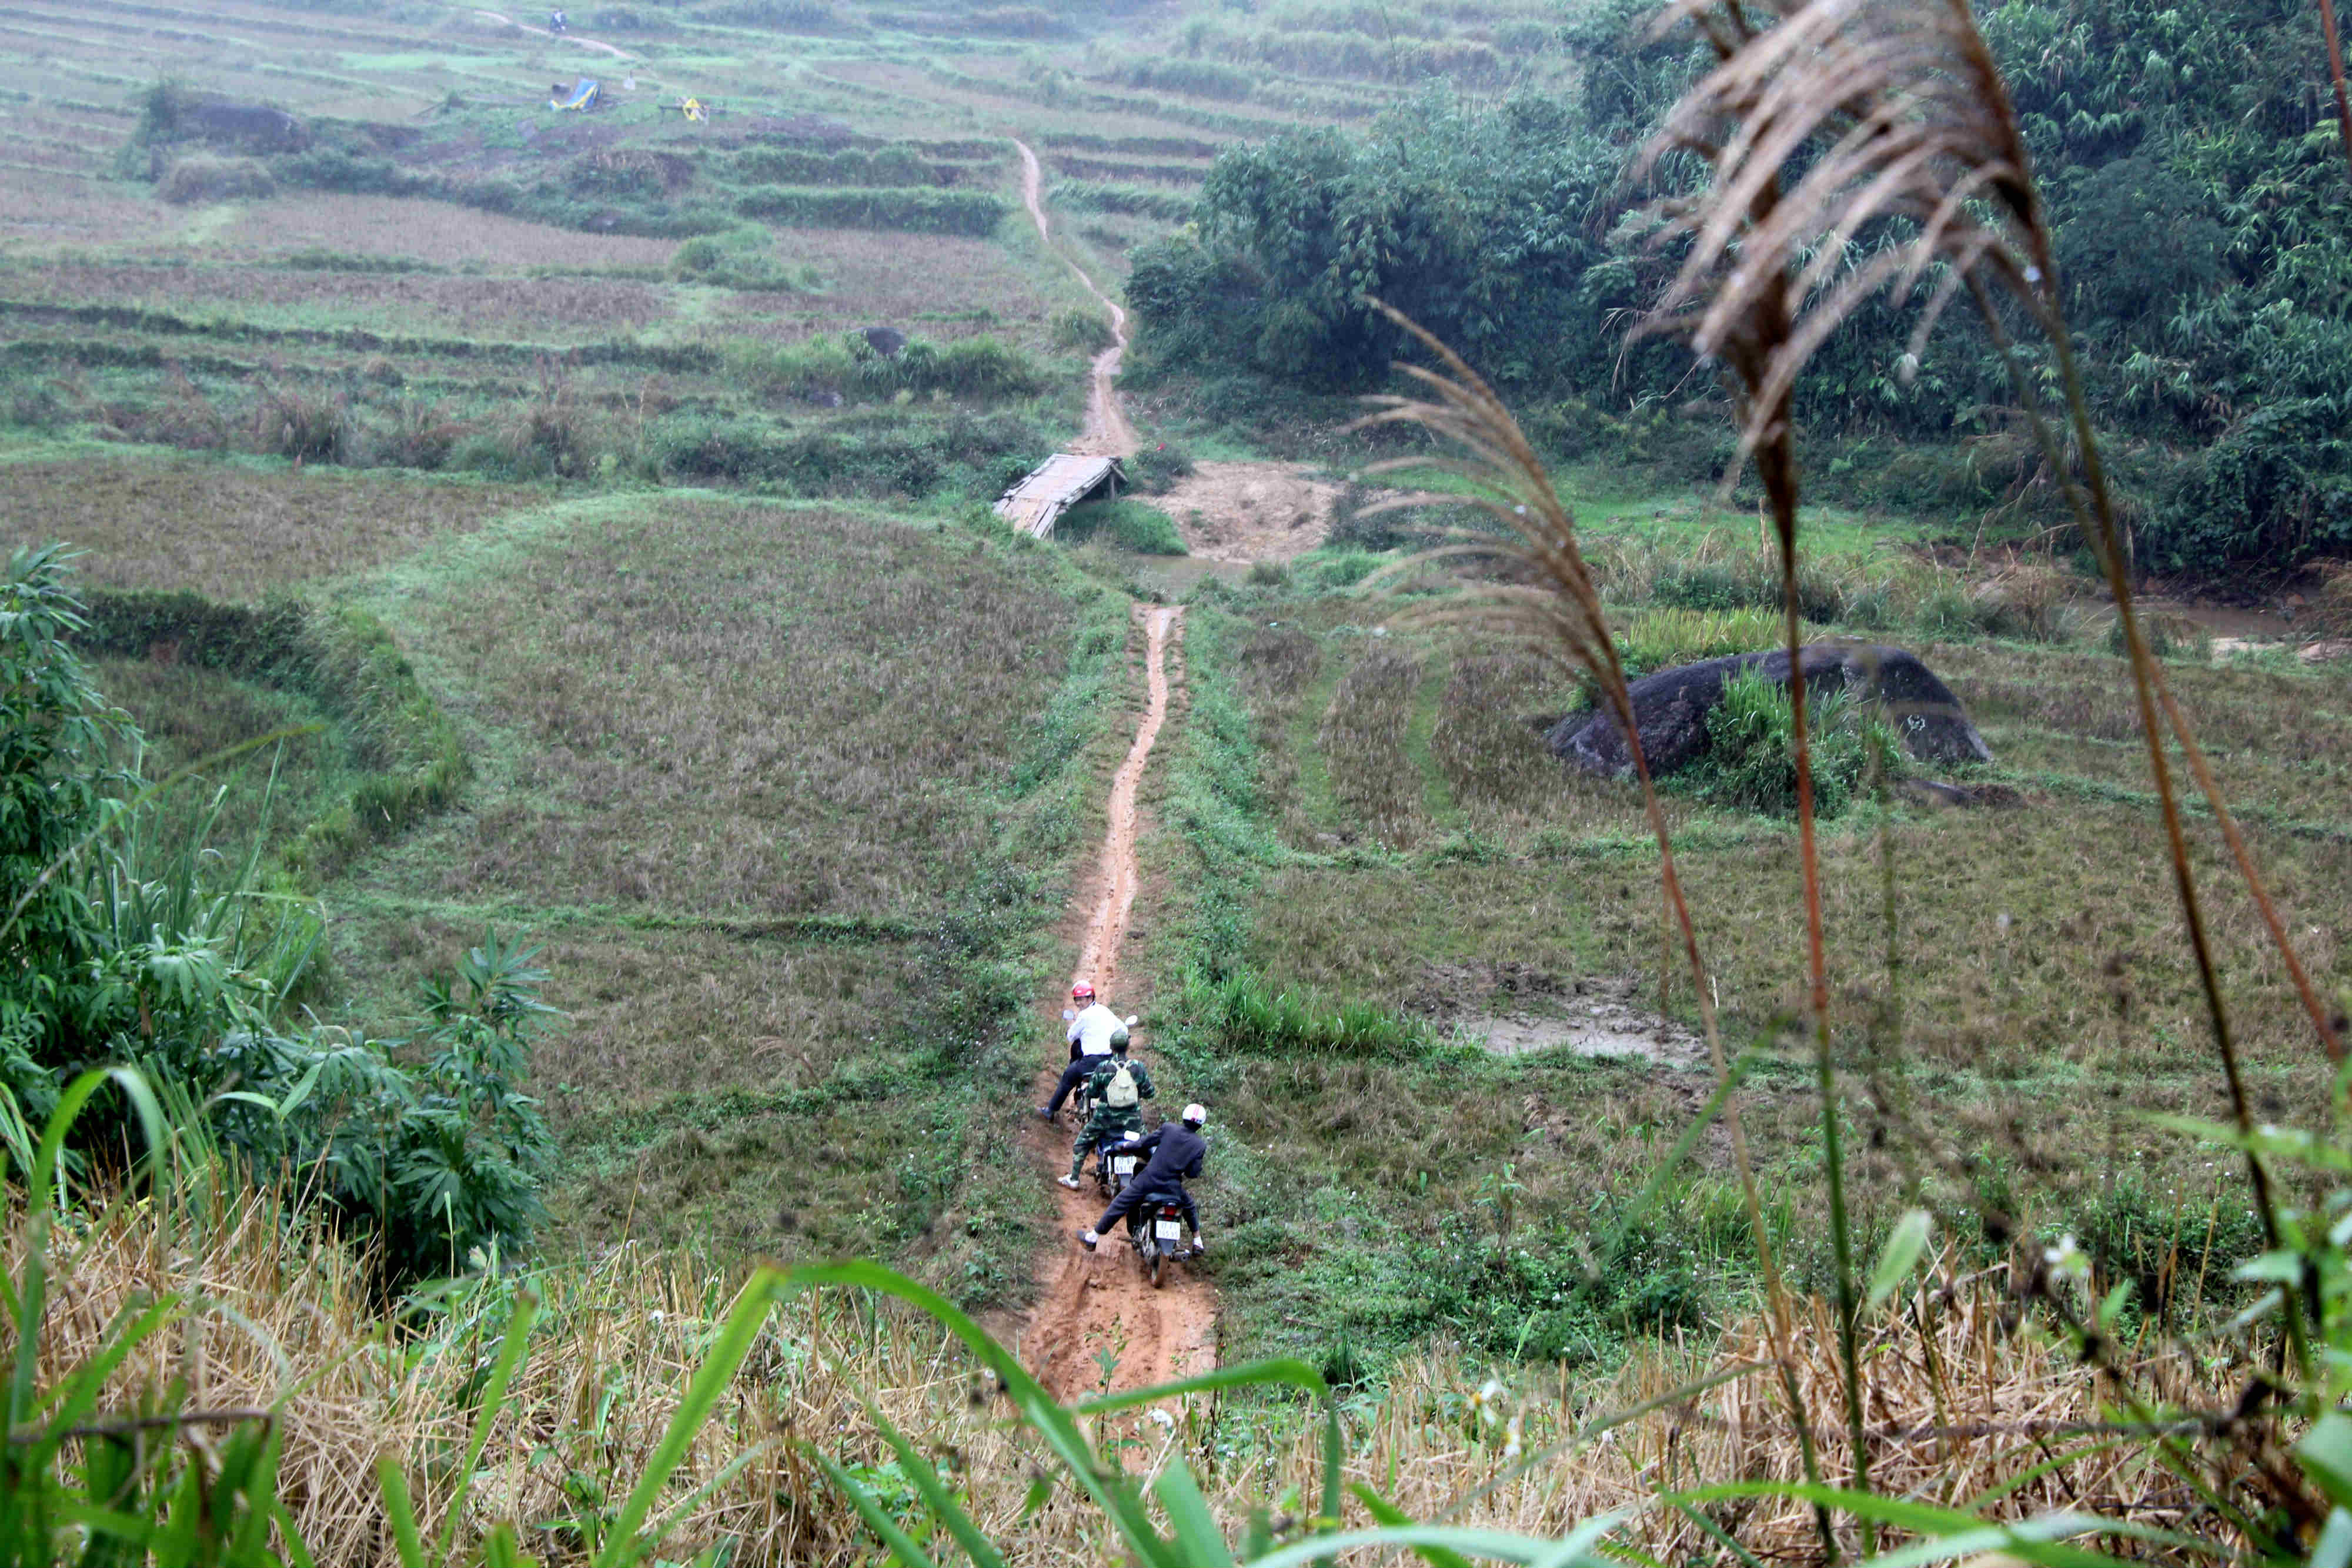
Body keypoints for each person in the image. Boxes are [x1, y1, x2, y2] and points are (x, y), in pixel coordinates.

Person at [1079, 1104, 1206, 1256]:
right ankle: (1198, 1241)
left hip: (1149, 1179)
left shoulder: (1169, 1129)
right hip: (1173, 1187)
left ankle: (1093, 1237)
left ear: (1184, 1116)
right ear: (1201, 1124)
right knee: (1190, 1206)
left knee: (1121, 1202)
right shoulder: (1200, 1145)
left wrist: (1126, 1146)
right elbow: (1193, 1173)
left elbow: (1144, 1143)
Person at [1058, 1035, 1154, 1189]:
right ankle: (1158, 1180)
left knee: (1082, 1142)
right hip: (1133, 1122)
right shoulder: (1138, 1067)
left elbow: (1092, 1093)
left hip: (1104, 1120)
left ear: (1112, 1047)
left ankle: (1074, 1178)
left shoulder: (1103, 1067)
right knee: (1149, 1146)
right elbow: (1150, 1093)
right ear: (1128, 1047)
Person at [1035, 982, 1128, 1120]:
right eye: (1076, 999)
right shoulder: (1105, 1011)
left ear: (1090, 998)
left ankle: (1050, 1110)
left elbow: (1071, 1036)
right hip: (1109, 1061)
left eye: (1081, 999)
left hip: (1089, 1063)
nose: (1078, 1003)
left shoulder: (1084, 1016)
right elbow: (1124, 1030)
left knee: (1067, 1078)